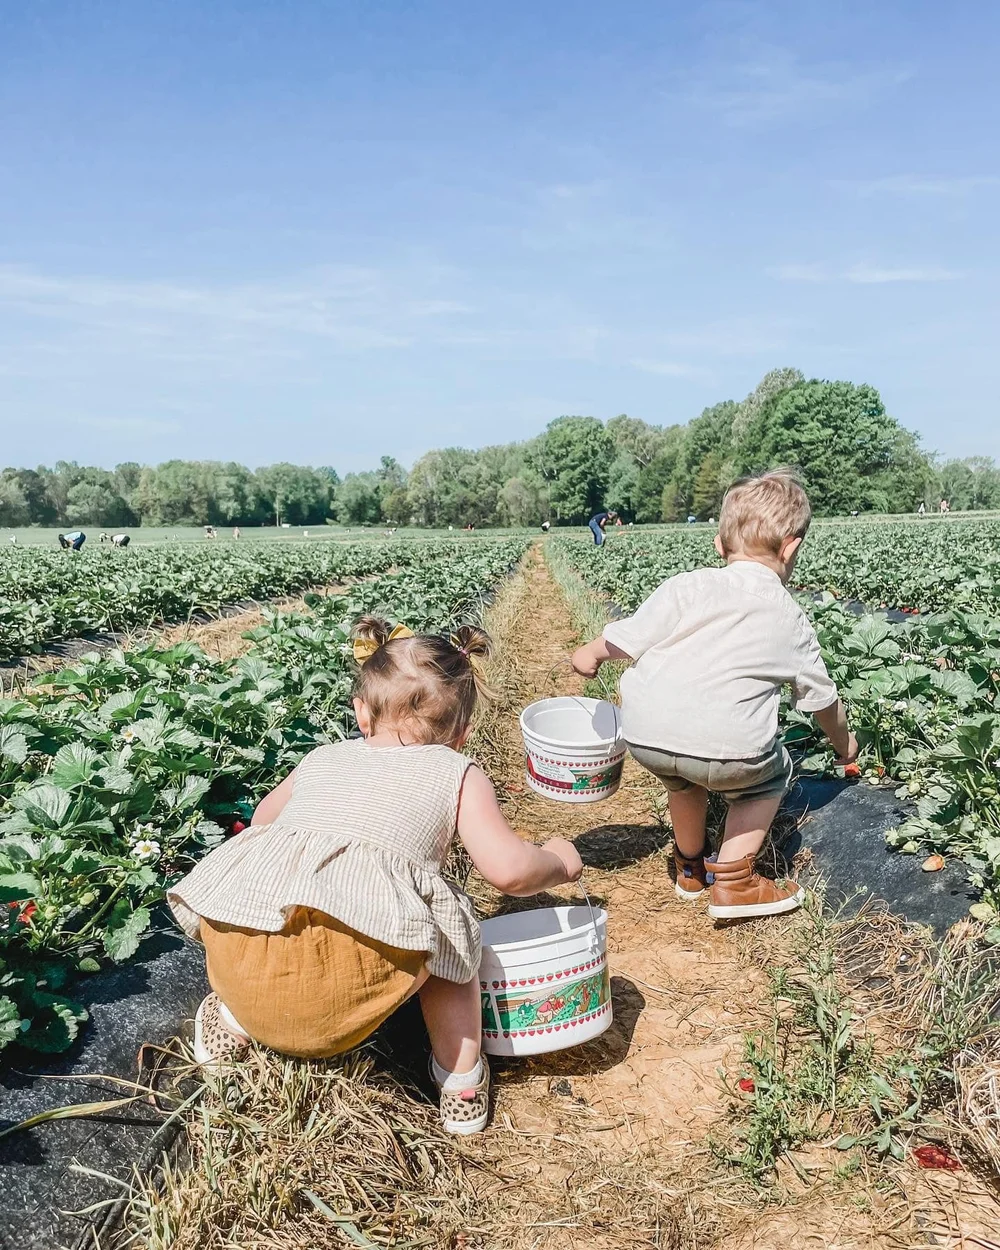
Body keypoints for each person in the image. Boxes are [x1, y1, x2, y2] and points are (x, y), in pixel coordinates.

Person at [168, 618, 582, 1135]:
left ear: (361, 713)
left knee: (262, 904)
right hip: (343, 1000)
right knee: (454, 943)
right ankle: (462, 1080)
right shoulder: (458, 772)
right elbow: (511, 872)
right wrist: (560, 861)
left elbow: (260, 823)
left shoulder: (321, 759)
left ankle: (233, 1025)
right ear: (462, 733)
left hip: (243, 975)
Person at [571, 470, 858, 920]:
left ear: (719, 546)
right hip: (729, 752)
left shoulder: (686, 586)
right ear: (792, 547)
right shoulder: (789, 617)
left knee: (683, 780)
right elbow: (821, 700)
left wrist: (590, 653)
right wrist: (846, 747)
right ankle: (735, 882)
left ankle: (689, 868)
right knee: (767, 777)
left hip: (648, 737)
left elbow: (628, 638)